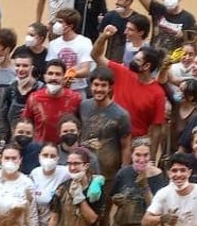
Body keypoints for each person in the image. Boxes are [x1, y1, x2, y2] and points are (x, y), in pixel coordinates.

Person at [92, 27, 167, 159]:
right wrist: (104, 37)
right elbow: (96, 56)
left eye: (137, 61)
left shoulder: (158, 93)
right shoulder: (122, 72)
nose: (132, 62)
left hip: (134, 146)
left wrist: (152, 158)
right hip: (110, 139)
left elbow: (156, 129)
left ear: (147, 66)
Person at [26, 61, 83, 144]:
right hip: (41, 150)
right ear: (44, 77)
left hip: (66, 149)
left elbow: (81, 125)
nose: (53, 77)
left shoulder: (75, 98)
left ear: (64, 77)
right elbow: (26, 124)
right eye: (50, 73)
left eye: (58, 74)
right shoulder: (34, 98)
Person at [45, 9, 94, 90]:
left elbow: (86, 70)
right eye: (57, 22)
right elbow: (50, 67)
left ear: (70, 26)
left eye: (60, 22)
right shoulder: (53, 44)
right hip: (57, 89)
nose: (57, 25)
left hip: (77, 89)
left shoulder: (84, 42)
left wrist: (70, 75)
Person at [1, 51, 43, 142]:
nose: (20, 69)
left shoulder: (41, 89)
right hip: (13, 140)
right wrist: (3, 138)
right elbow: (3, 116)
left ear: (32, 68)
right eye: (17, 65)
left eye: (25, 66)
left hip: (35, 141)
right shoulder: (10, 89)